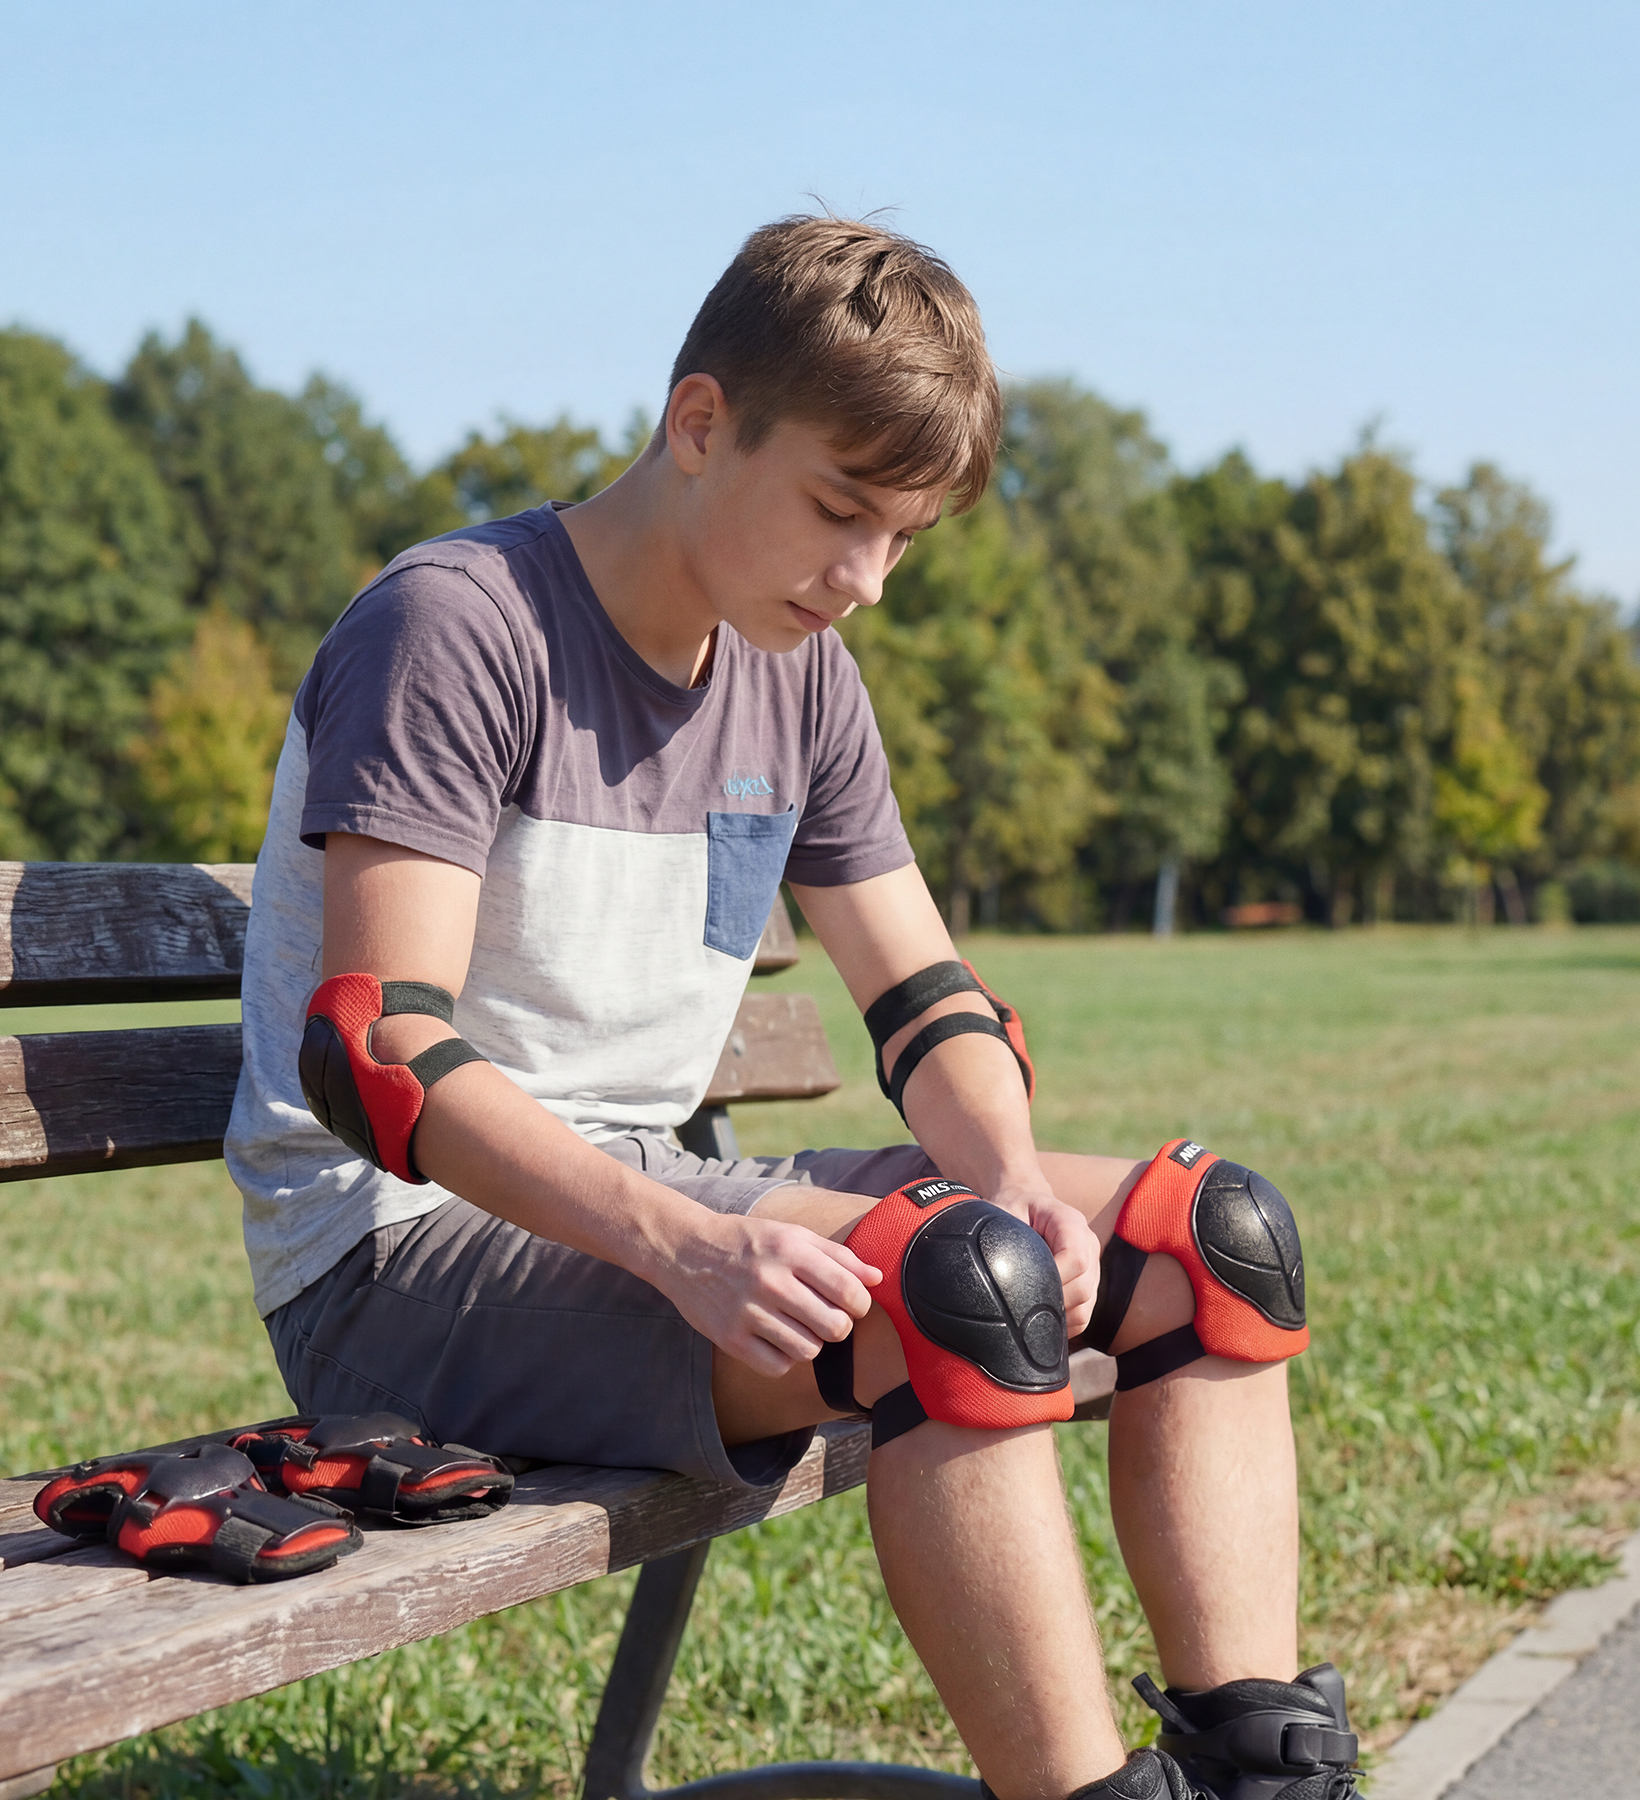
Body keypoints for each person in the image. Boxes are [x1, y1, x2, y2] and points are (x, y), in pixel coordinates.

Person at [226, 215, 1359, 1800]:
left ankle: (1269, 1776)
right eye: (840, 512)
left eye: (904, 538)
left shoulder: (799, 669)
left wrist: (1016, 1178)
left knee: (1211, 1238)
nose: (867, 582)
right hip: (397, 1260)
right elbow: (383, 1059)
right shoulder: (456, 626)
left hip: (651, 1199)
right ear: (700, 424)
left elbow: (930, 1000)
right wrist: (681, 1244)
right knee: (957, 1286)